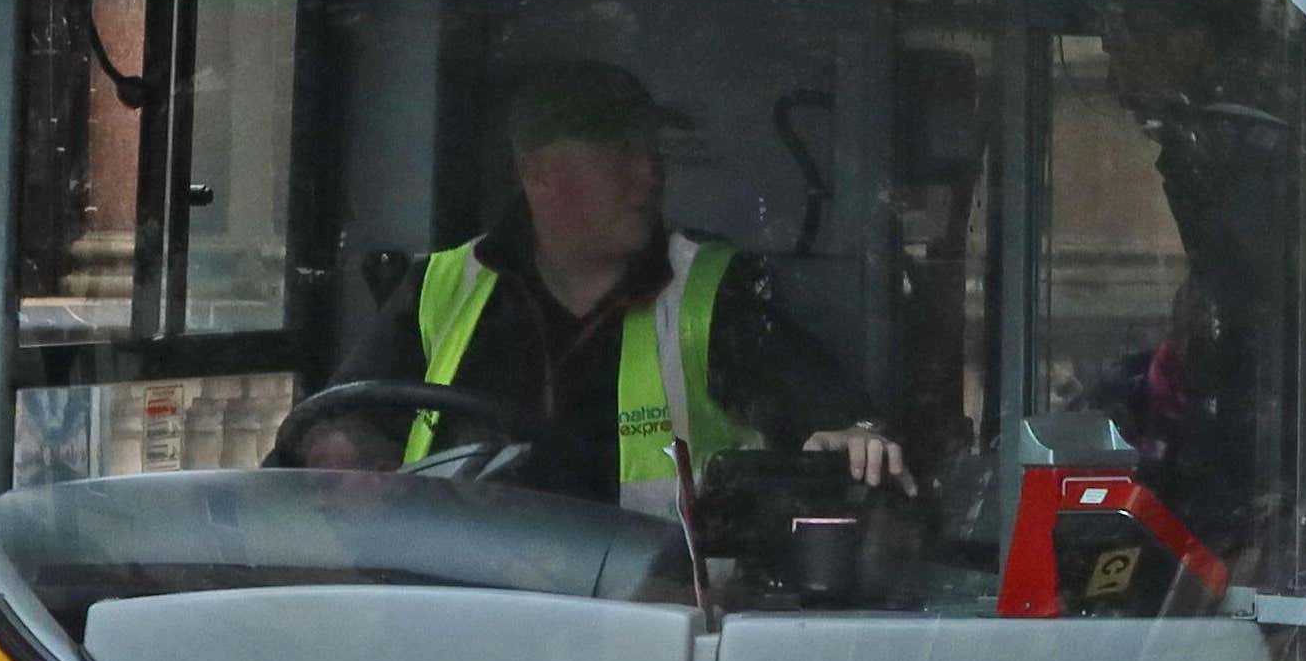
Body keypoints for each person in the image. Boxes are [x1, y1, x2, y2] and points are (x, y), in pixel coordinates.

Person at [301, 61, 904, 520]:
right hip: (457, 616)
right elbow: (335, 431)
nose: (650, 175)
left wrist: (850, 437)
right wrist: (340, 452)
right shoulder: (438, 288)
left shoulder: (712, 291)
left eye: (651, 152)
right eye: (619, 154)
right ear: (536, 174)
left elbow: (834, 422)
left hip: (657, 635)